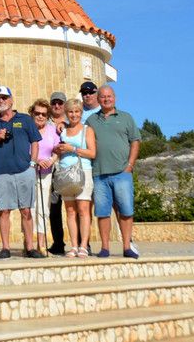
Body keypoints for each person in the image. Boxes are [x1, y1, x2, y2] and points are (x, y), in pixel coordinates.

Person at [0, 86, 43, 259]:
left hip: (24, 170)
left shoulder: (25, 119)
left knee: (26, 211)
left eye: (4, 97)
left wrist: (32, 164)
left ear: (11, 99)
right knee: (4, 211)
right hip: (1, 173)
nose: (1, 101)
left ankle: (30, 247)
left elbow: (35, 142)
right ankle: (6, 248)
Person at [88, 85, 141, 259]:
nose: (106, 99)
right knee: (102, 213)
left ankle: (127, 247)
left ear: (115, 98)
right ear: (98, 99)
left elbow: (135, 141)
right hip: (99, 174)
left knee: (126, 210)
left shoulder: (126, 118)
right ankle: (105, 248)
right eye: (103, 96)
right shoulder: (91, 120)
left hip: (122, 173)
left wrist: (130, 165)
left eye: (109, 96)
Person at [53, 98, 97, 257]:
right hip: (65, 173)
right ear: (66, 113)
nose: (74, 115)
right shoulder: (62, 130)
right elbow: (56, 150)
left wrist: (71, 148)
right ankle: (73, 245)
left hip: (83, 172)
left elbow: (92, 153)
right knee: (70, 211)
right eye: (71, 112)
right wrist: (58, 149)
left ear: (81, 113)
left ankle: (84, 245)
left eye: (77, 111)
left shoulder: (87, 130)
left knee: (83, 210)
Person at [30, 99, 60, 253]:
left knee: (43, 208)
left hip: (46, 174)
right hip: (29, 172)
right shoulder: (27, 129)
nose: (40, 116)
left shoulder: (52, 130)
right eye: (37, 113)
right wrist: (36, 161)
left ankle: (41, 244)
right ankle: (28, 243)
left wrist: (51, 161)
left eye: (44, 114)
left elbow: (57, 150)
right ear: (32, 113)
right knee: (29, 208)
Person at [46, 91, 69, 255]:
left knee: (74, 207)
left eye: (60, 103)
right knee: (54, 207)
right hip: (51, 169)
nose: (57, 106)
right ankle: (58, 242)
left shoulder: (72, 121)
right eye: (54, 103)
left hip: (69, 168)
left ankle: (83, 243)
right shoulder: (44, 122)